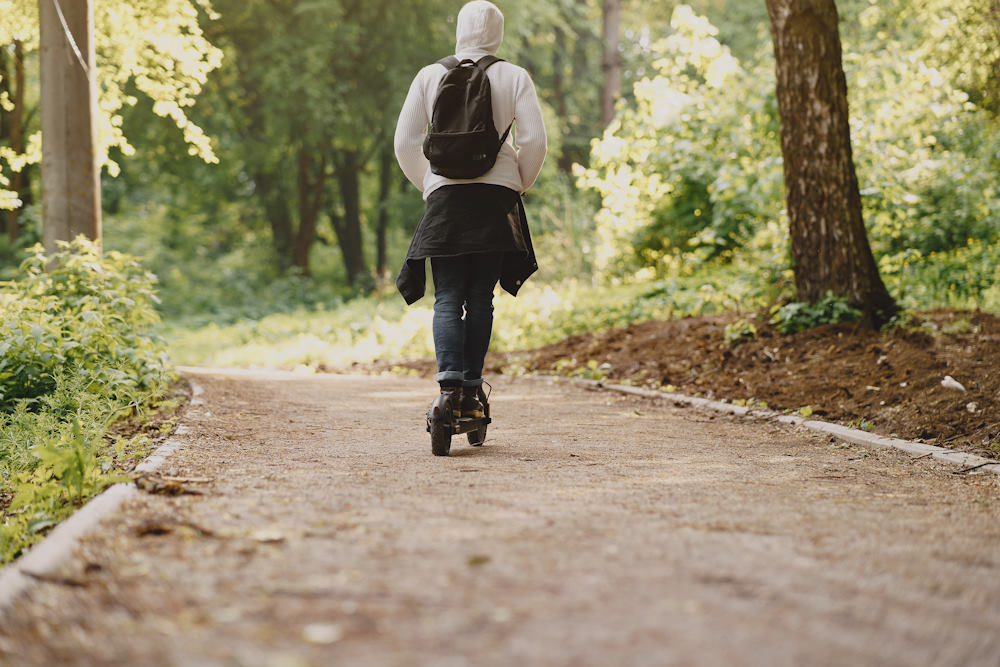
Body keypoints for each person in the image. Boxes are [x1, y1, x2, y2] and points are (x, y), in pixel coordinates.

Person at [394, 0, 547, 419]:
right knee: (480, 297)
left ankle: (448, 391)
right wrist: (516, 184)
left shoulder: (429, 76)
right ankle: (474, 392)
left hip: (445, 196)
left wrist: (431, 183)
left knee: (447, 298)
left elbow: (405, 142)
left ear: (459, 30)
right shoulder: (514, 76)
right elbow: (534, 141)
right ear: (498, 33)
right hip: (496, 197)